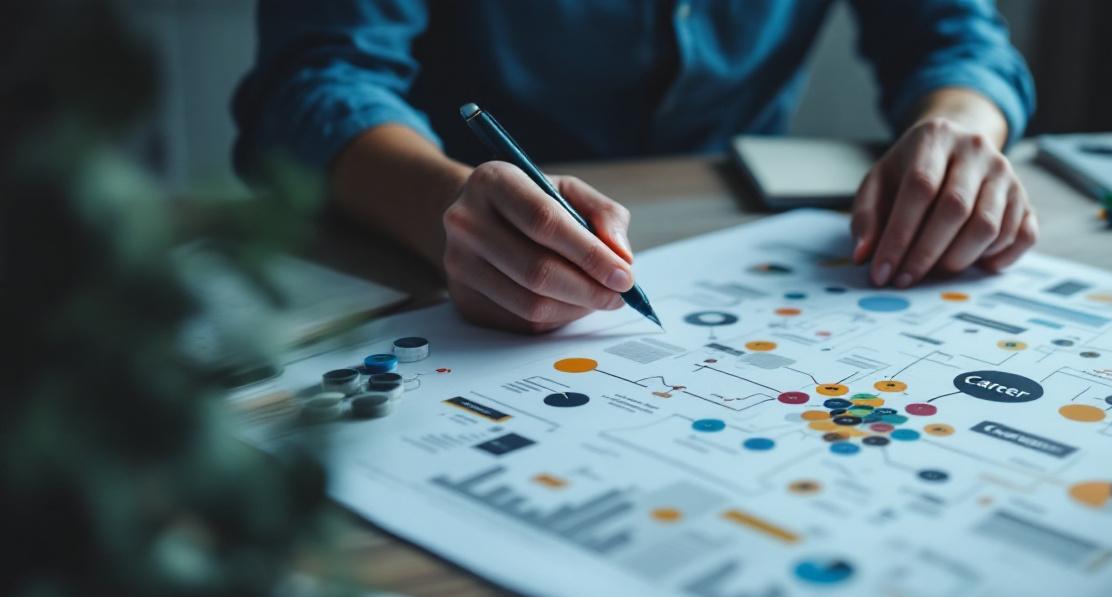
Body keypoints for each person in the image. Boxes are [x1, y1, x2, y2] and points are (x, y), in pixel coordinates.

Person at [233, 1, 1037, 333]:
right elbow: (315, 85)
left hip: (732, 216)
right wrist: (445, 202)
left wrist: (960, 129)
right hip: (422, 242)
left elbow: (957, 37)